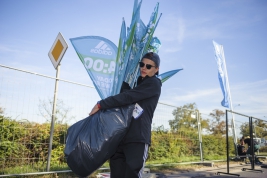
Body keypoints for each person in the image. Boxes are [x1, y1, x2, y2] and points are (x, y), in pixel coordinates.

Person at [89, 52, 162, 178]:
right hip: (120, 136)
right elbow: (127, 98)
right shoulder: (137, 85)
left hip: (137, 138)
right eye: (142, 64)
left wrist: (101, 104)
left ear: (156, 70)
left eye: (149, 66)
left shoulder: (154, 84)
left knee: (131, 174)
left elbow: (128, 97)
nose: (144, 68)